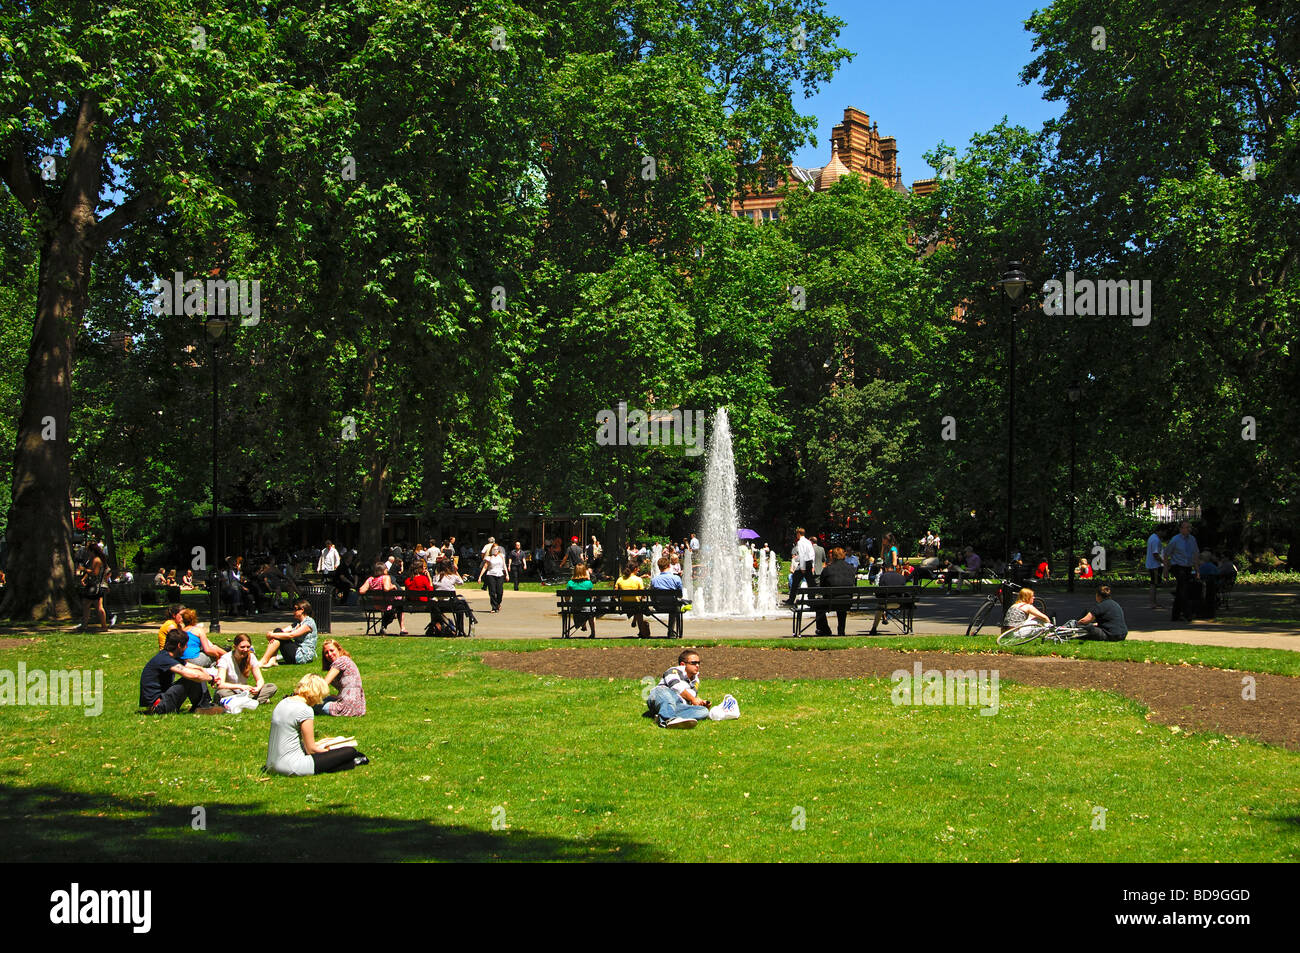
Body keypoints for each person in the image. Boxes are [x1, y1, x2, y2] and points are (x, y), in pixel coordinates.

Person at [264, 674, 368, 776]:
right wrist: (328, 751)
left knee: (335, 757)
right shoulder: (305, 710)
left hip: (271, 765)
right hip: (292, 766)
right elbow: (311, 750)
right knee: (350, 751)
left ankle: (349, 763)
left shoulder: (283, 703)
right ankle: (351, 761)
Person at [644, 650, 737, 727]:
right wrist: (693, 699)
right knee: (664, 692)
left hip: (678, 705)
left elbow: (688, 701)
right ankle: (668, 719)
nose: (697, 665)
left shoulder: (695, 680)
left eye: (698, 663)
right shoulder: (673, 671)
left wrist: (701, 704)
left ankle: (662, 717)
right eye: (693, 663)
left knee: (703, 712)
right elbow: (676, 688)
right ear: (682, 664)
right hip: (660, 697)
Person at [140, 630, 222, 714]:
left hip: (161, 701)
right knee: (191, 678)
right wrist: (210, 678)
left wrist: (206, 672)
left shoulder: (168, 656)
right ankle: (204, 707)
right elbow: (194, 675)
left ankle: (205, 705)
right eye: (186, 645)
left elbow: (195, 668)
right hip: (158, 706)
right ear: (179, 645)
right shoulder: (165, 660)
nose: (186, 647)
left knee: (196, 673)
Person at [214, 633, 278, 710]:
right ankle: (250, 702)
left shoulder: (251, 657)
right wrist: (240, 686)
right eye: (242, 647)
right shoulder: (225, 659)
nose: (245, 650)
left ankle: (242, 702)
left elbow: (260, 679)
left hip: (244, 693)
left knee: (271, 687)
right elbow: (220, 684)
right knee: (221, 693)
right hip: (230, 692)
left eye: (248, 647)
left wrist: (257, 688)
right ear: (235, 647)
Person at [259, 598, 318, 668]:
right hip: (295, 653)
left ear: (302, 610)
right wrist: (271, 634)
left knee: (277, 633)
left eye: (295, 609)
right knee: (278, 631)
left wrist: (272, 635)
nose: (293, 612)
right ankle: (272, 660)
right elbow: (282, 631)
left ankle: (265, 660)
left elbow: (291, 635)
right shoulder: (297, 623)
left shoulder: (309, 622)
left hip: (303, 655)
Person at [815, 546, 857, 637]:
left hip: (831, 601)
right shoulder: (851, 568)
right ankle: (841, 630)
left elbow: (822, 587)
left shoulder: (827, 569)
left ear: (832, 557)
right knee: (842, 602)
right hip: (847, 601)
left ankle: (824, 629)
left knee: (818, 604)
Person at [317, 640, 365, 716]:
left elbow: (324, 684)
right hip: (358, 707)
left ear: (339, 649)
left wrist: (304, 695)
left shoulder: (341, 661)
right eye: (326, 652)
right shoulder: (345, 661)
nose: (329, 654)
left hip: (345, 708)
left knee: (313, 705)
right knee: (327, 698)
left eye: (332, 650)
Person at [1164, 521, 1200, 623]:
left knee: (1181, 590)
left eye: (1190, 527)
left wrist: (1197, 570)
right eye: (1186, 527)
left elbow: (1195, 555)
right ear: (1181, 529)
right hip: (1178, 567)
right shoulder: (1175, 540)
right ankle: (1187, 614)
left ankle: (1175, 615)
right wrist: (1166, 569)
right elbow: (1166, 554)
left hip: (1187, 567)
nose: (1189, 529)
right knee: (1183, 589)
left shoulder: (1192, 539)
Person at [360, 561, 406, 635]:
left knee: (395, 606)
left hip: (376, 605)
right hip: (387, 604)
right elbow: (386, 588)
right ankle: (401, 628)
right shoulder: (385, 577)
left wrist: (372, 588)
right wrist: (393, 586)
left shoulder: (370, 579)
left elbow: (361, 590)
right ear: (384, 571)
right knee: (399, 605)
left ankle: (384, 626)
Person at [648, 556, 684, 638]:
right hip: (672, 606)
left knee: (673, 605)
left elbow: (652, 595)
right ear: (669, 566)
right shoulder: (676, 578)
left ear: (659, 567)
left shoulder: (654, 580)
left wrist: (654, 602)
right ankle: (671, 632)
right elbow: (680, 594)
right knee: (675, 606)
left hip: (658, 606)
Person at [78, 542, 110, 631]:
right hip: (97, 586)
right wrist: (84, 578)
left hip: (94, 586)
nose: (87, 553)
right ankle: (103, 626)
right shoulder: (98, 559)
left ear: (92, 551)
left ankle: (86, 625)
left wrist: (84, 569)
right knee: (95, 606)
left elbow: (94, 572)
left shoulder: (96, 560)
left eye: (88, 551)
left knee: (88, 605)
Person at [616, 561, 652, 638]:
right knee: (639, 607)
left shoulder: (620, 579)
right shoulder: (638, 579)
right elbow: (643, 595)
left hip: (624, 605)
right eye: (638, 568)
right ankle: (642, 631)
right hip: (636, 606)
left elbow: (615, 594)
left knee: (637, 605)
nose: (638, 570)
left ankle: (635, 621)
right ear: (635, 569)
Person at [784, 527, 816, 605]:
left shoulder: (800, 542)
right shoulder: (808, 542)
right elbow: (812, 554)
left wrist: (802, 567)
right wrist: (812, 565)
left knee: (795, 581)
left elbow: (802, 554)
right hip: (809, 563)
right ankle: (811, 599)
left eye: (796, 534)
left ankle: (791, 600)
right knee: (810, 582)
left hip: (803, 563)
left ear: (798, 534)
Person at [566, 561, 596, 635]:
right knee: (590, 610)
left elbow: (566, 599)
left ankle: (583, 624)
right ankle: (593, 632)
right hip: (587, 607)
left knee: (584, 610)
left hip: (575, 607)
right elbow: (591, 595)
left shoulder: (570, 583)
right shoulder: (588, 583)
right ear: (584, 572)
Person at [477, 543, 508, 612]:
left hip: (500, 574)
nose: (496, 550)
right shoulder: (489, 557)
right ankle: (494, 607)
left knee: (500, 592)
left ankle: (498, 603)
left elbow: (504, 565)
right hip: (491, 575)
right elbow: (485, 567)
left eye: (497, 549)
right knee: (492, 592)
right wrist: (480, 577)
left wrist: (507, 574)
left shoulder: (501, 556)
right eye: (494, 549)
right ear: (492, 550)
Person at [1145, 524, 1168, 608]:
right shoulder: (1155, 540)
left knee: (1154, 583)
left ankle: (1154, 602)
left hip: (1153, 564)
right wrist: (1164, 562)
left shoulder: (1153, 538)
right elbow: (1155, 554)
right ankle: (1152, 602)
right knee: (1154, 583)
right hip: (1154, 565)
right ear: (1160, 531)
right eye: (1164, 532)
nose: (1165, 534)